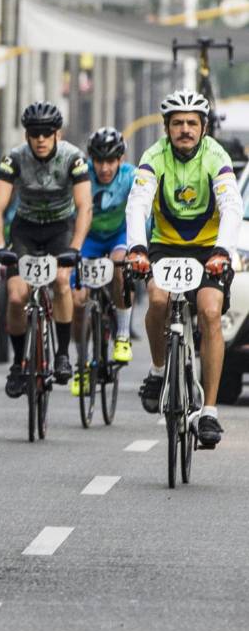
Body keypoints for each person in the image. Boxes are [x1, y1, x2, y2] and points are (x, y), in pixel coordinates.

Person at [126, 90, 242, 447]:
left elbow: (232, 205)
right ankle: (159, 371)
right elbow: (138, 203)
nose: (185, 129)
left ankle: (208, 411)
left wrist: (223, 249)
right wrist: (136, 249)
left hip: (209, 248)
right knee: (158, 302)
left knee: (209, 313)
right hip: (165, 245)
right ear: (166, 128)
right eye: (177, 123)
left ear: (204, 127)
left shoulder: (216, 156)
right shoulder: (153, 157)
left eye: (192, 123)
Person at [0, 101, 92, 398]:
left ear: (57, 134)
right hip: (26, 229)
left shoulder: (74, 157)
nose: (41, 139)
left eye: (47, 133)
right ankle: (19, 364)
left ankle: (61, 353)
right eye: (35, 133)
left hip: (61, 229)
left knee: (61, 282)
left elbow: (85, 207)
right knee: (17, 294)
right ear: (27, 135)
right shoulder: (15, 158)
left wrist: (75, 247)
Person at [69, 127, 135, 396]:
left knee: (120, 267)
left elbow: (141, 211)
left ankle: (121, 333)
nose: (105, 168)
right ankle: (82, 363)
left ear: (121, 159)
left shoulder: (131, 176)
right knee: (76, 300)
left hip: (119, 234)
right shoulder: (82, 174)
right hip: (89, 237)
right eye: (99, 161)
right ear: (91, 160)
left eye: (111, 161)